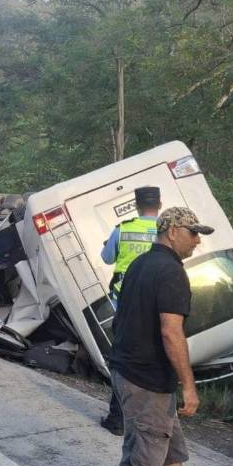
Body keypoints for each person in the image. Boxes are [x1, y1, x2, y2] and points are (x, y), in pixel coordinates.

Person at [109, 207, 213, 466]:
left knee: (169, 448)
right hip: (146, 380)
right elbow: (171, 332)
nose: (197, 241)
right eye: (193, 233)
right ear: (173, 232)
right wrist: (190, 387)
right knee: (141, 459)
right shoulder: (171, 271)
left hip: (128, 371)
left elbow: (122, 318)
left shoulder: (140, 263)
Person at [100, 186, 162, 435]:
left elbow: (107, 258)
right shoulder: (167, 230)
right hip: (157, 306)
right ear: (160, 204)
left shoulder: (123, 228)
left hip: (125, 305)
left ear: (136, 205)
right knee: (151, 362)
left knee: (122, 361)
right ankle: (146, 420)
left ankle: (117, 419)